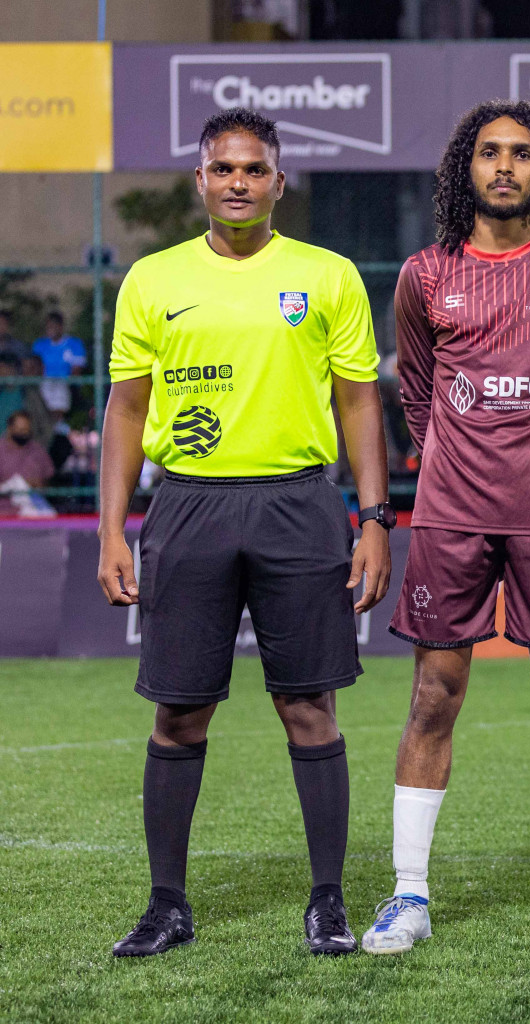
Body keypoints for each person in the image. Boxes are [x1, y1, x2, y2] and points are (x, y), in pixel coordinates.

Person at [96, 107, 392, 958]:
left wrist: (373, 520)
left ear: (278, 181)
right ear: (201, 180)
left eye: (254, 170)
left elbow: (360, 401)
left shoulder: (327, 275)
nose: (238, 183)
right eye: (223, 169)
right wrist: (114, 530)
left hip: (299, 505)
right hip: (187, 506)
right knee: (179, 713)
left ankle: (328, 901)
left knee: (309, 707)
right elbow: (127, 407)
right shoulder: (153, 280)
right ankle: (166, 906)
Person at [360, 100, 530, 955]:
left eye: (521, 153)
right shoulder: (423, 274)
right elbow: (416, 390)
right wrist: (452, 457)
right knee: (433, 694)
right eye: (488, 153)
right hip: (449, 515)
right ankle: (408, 896)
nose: (504, 167)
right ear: (465, 169)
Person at [33, 311, 87, 415]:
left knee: (60, 392)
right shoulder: (40, 344)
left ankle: (58, 424)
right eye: (48, 326)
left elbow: (77, 369)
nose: (50, 329)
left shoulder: (74, 344)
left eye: (53, 325)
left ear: (61, 326)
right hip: (44, 382)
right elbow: (34, 366)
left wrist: (68, 382)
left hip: (65, 383)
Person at [0, 410, 55, 489]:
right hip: (5, 499)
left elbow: (49, 477)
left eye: (27, 430)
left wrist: (37, 483)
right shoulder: (1, 449)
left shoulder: (37, 450)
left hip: (33, 499)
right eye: (21, 430)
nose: (24, 433)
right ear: (10, 428)